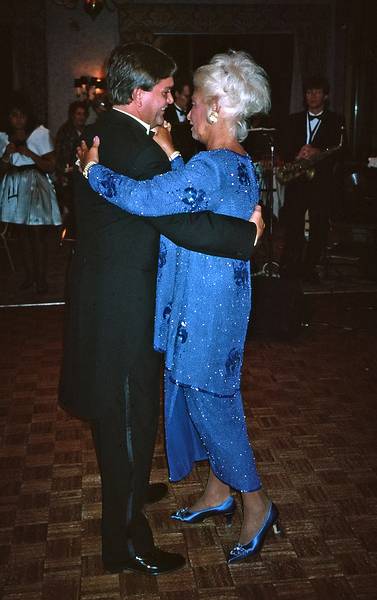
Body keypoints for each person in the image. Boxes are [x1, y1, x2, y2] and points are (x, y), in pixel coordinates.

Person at [59, 42, 265, 576]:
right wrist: (250, 233)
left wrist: (153, 158)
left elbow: (180, 199)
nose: (174, 104)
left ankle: (136, 492)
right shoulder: (139, 150)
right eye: (167, 93)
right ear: (138, 93)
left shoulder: (102, 130)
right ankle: (124, 540)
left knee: (132, 415)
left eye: (183, 95)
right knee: (130, 416)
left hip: (118, 297)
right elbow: (181, 220)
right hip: (125, 307)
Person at [279, 76, 345, 283]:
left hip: (321, 182)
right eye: (308, 92)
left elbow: (342, 152)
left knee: (318, 227)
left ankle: (310, 267)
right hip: (298, 179)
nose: (312, 96)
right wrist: (296, 154)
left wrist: (317, 151)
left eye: (317, 92)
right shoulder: (293, 119)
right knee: (294, 225)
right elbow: (284, 146)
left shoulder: (336, 120)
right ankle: (291, 265)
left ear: (325, 96)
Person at [0, 92, 61, 293]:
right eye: (13, 115)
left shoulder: (39, 134)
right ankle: (29, 276)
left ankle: (42, 278)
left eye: (22, 115)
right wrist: (7, 155)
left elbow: (51, 166)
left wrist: (30, 154)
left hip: (35, 185)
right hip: (14, 185)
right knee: (23, 234)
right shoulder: (3, 137)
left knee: (37, 233)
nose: (18, 120)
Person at [55, 101, 89, 239]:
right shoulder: (65, 132)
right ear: (72, 115)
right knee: (72, 210)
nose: (81, 117)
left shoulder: (86, 131)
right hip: (68, 177)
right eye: (78, 114)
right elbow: (59, 156)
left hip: (80, 175)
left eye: (83, 114)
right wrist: (62, 173)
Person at [164, 75, 199, 161]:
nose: (189, 100)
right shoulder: (166, 113)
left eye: (190, 97)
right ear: (177, 94)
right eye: (186, 96)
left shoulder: (194, 111)